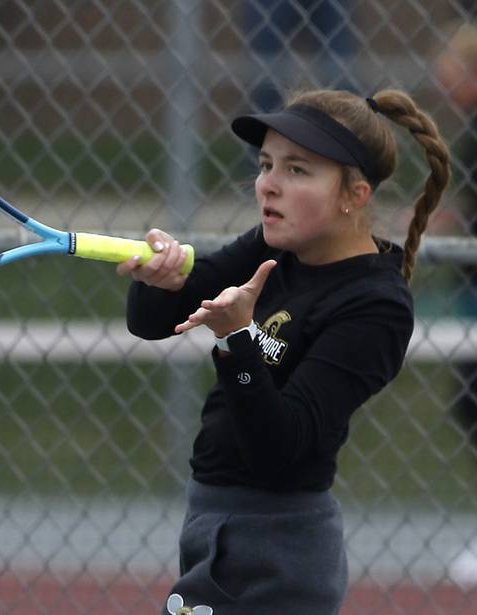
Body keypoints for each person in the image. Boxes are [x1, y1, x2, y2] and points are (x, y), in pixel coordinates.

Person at [117, 89, 450, 614]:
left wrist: (236, 340)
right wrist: (159, 279)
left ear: (354, 195)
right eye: (267, 164)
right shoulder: (274, 247)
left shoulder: (375, 307)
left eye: (298, 170)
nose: (269, 184)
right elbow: (155, 319)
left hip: (276, 553)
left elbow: (281, 447)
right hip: (215, 524)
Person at [435, 21, 477, 449]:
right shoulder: (470, 127)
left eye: (452, 74)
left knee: (471, 399)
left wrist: (459, 219)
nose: (444, 85)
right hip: (469, 272)